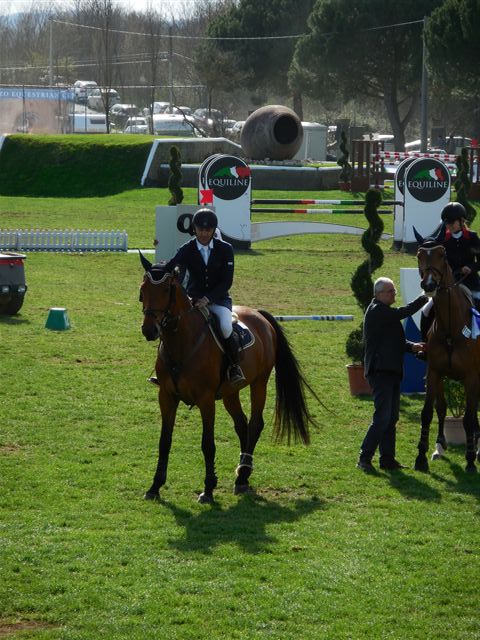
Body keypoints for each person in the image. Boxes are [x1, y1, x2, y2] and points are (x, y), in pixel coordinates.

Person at [158, 207, 246, 386]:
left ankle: (234, 367)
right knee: (171, 323)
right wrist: (157, 270)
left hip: (218, 299)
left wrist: (208, 299)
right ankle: (165, 367)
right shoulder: (187, 248)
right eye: (200, 229)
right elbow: (172, 264)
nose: (204, 233)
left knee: (226, 327)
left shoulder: (225, 249)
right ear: (195, 229)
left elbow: (226, 282)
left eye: (208, 230)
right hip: (193, 300)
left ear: (214, 230)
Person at [357, 277, 428, 472]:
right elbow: (403, 312)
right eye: (390, 291)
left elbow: (393, 340)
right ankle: (364, 457)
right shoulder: (377, 310)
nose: (394, 293)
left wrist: (412, 346)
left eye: (394, 290)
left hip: (391, 370)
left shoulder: (383, 313)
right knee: (382, 418)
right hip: (381, 371)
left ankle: (387, 459)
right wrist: (425, 297)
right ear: (378, 294)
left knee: (391, 418)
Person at [420, 202, 480, 339]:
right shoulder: (443, 241)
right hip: (448, 284)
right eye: (446, 224)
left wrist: (470, 267)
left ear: (462, 220)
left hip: (471, 283)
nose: (449, 226)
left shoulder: (472, 237)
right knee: (426, 310)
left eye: (452, 223)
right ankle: (424, 345)